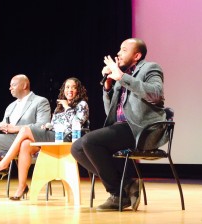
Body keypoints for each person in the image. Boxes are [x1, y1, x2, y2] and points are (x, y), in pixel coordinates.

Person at [71, 38, 166, 211]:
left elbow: (156, 94)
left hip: (140, 128)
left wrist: (122, 77)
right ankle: (127, 183)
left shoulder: (150, 68)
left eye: (123, 50)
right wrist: (108, 86)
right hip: (122, 127)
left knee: (90, 141)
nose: (118, 54)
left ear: (136, 55)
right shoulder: (122, 75)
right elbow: (111, 113)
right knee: (76, 148)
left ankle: (118, 194)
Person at [0, 77, 89, 200]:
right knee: (25, 144)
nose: (70, 90)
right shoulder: (60, 106)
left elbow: (78, 123)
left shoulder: (82, 104)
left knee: (25, 130)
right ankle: (22, 187)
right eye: (67, 87)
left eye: (73, 87)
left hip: (67, 139)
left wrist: (67, 108)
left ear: (78, 90)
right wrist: (47, 125)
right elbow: (54, 124)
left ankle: (3, 164)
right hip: (53, 135)